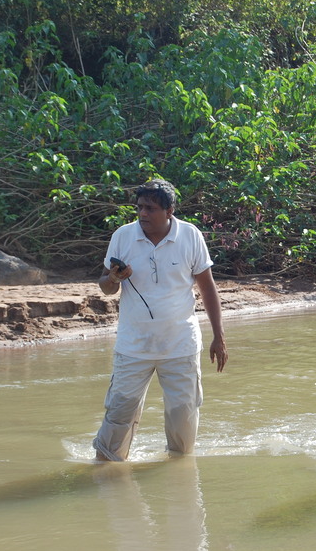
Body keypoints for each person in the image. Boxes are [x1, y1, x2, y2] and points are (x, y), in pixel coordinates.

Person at [93, 179, 228, 461]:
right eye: (140, 207)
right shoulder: (123, 236)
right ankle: (106, 467)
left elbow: (208, 288)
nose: (143, 214)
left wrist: (219, 337)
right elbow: (105, 286)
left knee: (183, 416)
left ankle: (178, 473)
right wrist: (115, 277)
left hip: (180, 345)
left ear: (169, 211)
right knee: (119, 414)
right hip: (133, 346)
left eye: (150, 208)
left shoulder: (190, 236)